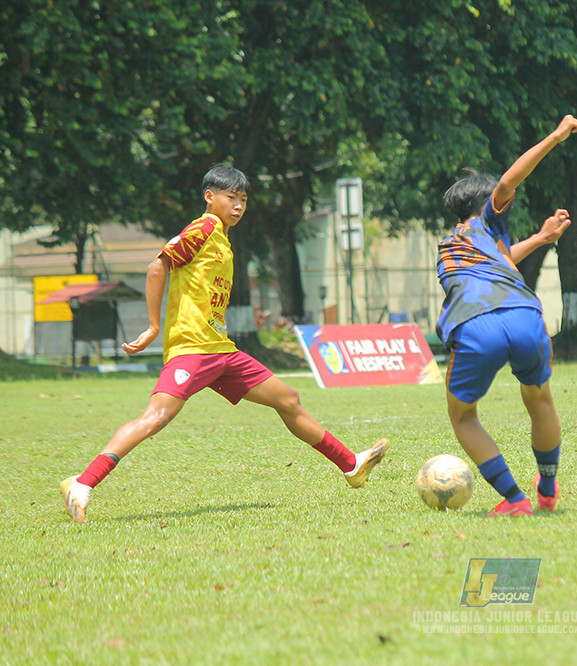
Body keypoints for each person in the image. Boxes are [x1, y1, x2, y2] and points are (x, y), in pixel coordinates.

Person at [59, 165, 388, 523]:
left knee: (288, 399)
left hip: (222, 351)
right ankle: (82, 483)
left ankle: (351, 465)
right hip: (194, 350)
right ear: (209, 197)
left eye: (243, 200)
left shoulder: (222, 237)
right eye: (231, 197)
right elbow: (157, 268)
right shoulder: (203, 227)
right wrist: (154, 328)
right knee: (156, 418)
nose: (238, 206)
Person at [436, 114, 577, 516]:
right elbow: (505, 186)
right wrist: (555, 136)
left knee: (463, 416)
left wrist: (539, 238)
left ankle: (515, 499)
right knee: (539, 399)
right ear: (488, 206)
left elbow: (495, 263)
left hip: (475, 325)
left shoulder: (450, 246)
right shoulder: (490, 220)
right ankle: (548, 489)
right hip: (525, 316)